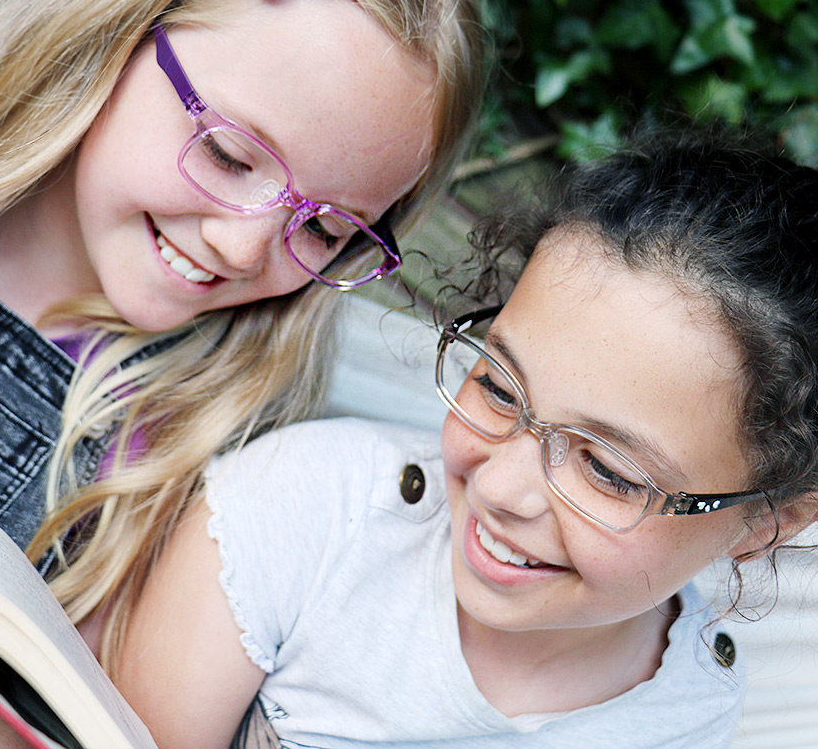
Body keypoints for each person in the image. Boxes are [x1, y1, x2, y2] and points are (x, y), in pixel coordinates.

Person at [98, 134, 818, 748]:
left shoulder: (687, 715)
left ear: (766, 522)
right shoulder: (306, 513)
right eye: (499, 389)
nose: (497, 489)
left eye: (607, 470)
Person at [0, 0, 482, 590]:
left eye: (323, 231)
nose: (242, 248)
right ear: (114, 31)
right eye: (226, 155)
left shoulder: (192, 444)